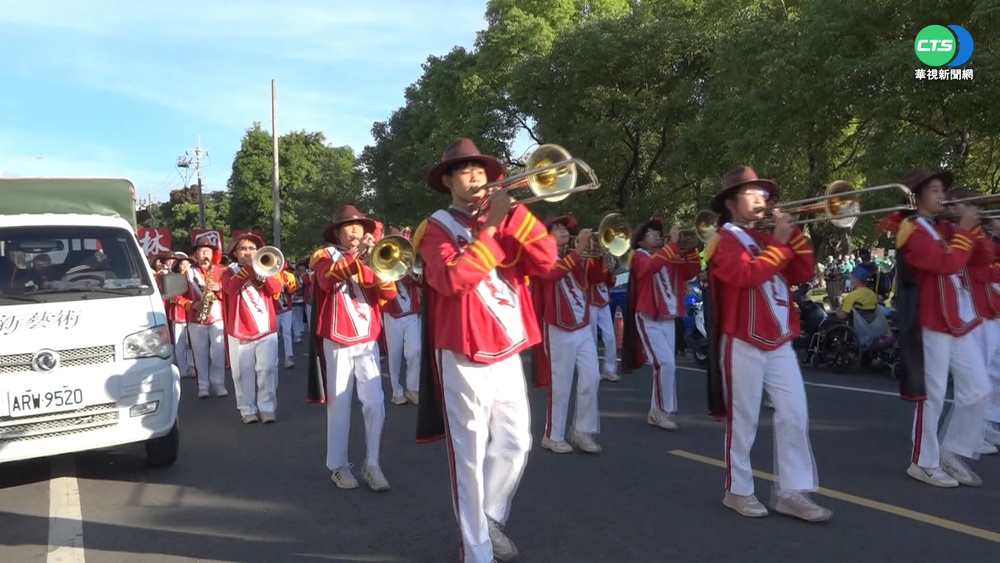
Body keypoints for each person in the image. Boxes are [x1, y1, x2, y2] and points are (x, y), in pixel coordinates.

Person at [415, 138, 557, 563]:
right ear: (448, 180)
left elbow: (547, 261)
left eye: (480, 170)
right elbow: (452, 279)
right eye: (465, 170)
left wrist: (513, 217)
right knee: (470, 456)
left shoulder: (510, 216)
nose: (475, 177)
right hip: (462, 349)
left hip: (507, 345)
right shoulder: (436, 227)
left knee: (517, 443)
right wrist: (491, 230)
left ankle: (488, 518)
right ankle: (475, 552)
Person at [705, 166, 831, 522]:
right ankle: (738, 490)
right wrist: (779, 241)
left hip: (778, 336)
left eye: (764, 193)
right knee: (743, 419)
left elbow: (802, 273)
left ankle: (792, 492)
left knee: (795, 413)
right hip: (742, 337)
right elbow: (746, 274)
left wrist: (794, 235)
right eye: (752, 192)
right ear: (730, 202)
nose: (761, 199)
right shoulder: (722, 240)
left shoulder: (764, 238)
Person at [881, 170, 992, 487]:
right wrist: (965, 231)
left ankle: (950, 450)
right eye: (935, 190)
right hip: (930, 319)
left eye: (943, 189)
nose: (942, 196)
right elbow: (946, 264)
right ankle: (923, 462)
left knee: (979, 389)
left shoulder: (945, 227)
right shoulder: (912, 230)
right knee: (933, 395)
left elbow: (982, 259)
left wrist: (974, 228)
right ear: (917, 196)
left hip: (956, 318)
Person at [308, 204, 396, 492]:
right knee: (340, 403)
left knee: (375, 403)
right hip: (337, 338)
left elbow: (388, 293)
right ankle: (338, 466)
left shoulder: (374, 257)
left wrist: (377, 267)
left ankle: (373, 464)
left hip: (367, 337)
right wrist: (355, 258)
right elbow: (325, 280)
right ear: (338, 233)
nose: (356, 229)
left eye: (360, 225)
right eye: (349, 225)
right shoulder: (325, 256)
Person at [533, 214, 606, 454]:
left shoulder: (576, 255)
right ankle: (552, 435)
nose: (564, 231)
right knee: (561, 384)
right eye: (557, 228)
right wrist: (579, 251)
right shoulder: (542, 255)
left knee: (592, 377)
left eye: (565, 228)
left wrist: (598, 254)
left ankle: (583, 431)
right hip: (557, 326)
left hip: (582, 325)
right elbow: (552, 274)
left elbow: (597, 279)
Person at [621, 216, 701, 430]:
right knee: (664, 364)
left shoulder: (669, 253)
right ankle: (660, 411)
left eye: (659, 232)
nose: (657, 235)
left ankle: (658, 411)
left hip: (668, 316)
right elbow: (649, 267)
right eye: (652, 233)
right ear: (641, 241)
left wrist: (690, 250)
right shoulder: (639, 256)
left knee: (667, 366)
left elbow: (690, 272)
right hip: (648, 316)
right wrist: (672, 245)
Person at [221, 233, 283, 424]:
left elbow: (275, 289)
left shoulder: (267, 267)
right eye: (243, 248)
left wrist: (262, 272)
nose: (248, 252)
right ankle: (247, 409)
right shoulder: (228, 272)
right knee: (242, 373)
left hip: (266, 328)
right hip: (239, 329)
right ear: (235, 252)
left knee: (268, 369)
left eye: (252, 248)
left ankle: (267, 408)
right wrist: (249, 269)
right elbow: (230, 288)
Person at [178, 231, 228, 399]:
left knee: (218, 353)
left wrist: (219, 288)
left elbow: (232, 292)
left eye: (208, 250)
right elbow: (176, 297)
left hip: (217, 317)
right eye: (201, 250)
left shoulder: (221, 271)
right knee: (199, 354)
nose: (205, 254)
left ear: (213, 254)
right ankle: (203, 385)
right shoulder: (187, 273)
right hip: (196, 319)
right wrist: (191, 304)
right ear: (195, 254)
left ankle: (219, 384)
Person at [381, 227, 423, 406]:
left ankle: (413, 389)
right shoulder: (382, 260)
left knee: (415, 351)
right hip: (392, 314)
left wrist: (406, 268)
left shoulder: (409, 259)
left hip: (411, 313)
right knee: (395, 355)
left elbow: (419, 280)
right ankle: (397, 392)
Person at [274, 261, 299, 369]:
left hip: (286, 309)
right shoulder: (268, 274)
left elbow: (293, 290)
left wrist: (288, 287)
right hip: (273, 310)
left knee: (287, 333)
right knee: (273, 336)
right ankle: (273, 358)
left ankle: (288, 358)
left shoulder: (289, 276)